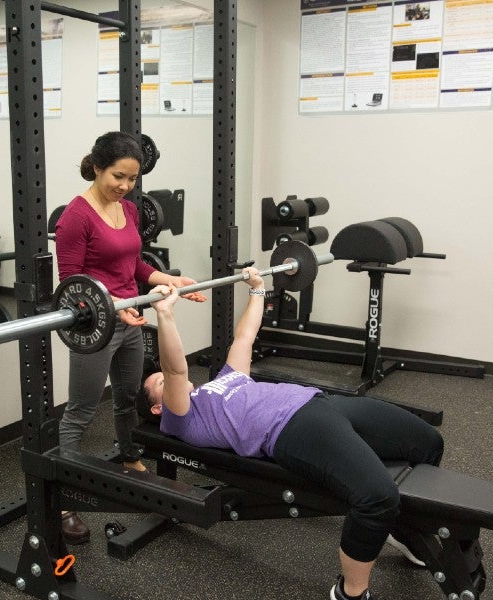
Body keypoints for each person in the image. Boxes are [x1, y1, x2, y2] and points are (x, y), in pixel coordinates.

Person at [140, 269, 445, 600]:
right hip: (292, 428)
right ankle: (350, 592)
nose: (165, 380)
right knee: (378, 497)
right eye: (158, 384)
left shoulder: (221, 381)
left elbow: (244, 338)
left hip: (321, 402)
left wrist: (258, 289)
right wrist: (166, 315)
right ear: (159, 409)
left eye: (159, 378)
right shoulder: (181, 417)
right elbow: (174, 368)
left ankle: (405, 530)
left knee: (428, 442)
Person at [54, 131, 205, 544]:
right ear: (98, 166)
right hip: (95, 325)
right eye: (118, 176)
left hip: (131, 319)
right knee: (82, 411)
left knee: (125, 398)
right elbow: (72, 285)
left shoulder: (128, 210)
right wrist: (118, 304)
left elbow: (134, 263)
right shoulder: (76, 217)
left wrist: (169, 280)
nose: (124, 186)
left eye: (132, 179)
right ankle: (62, 499)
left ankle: (130, 455)